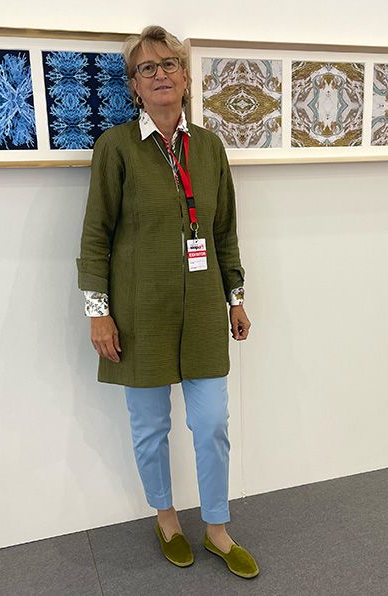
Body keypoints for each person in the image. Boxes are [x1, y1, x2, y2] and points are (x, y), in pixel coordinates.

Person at [76, 25, 259, 579]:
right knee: (151, 428)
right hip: (139, 314)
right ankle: (167, 519)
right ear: (133, 84)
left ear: (185, 77)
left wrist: (235, 297)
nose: (160, 75)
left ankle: (218, 529)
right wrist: (98, 312)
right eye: (147, 68)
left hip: (202, 310)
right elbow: (96, 235)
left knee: (212, 424)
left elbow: (223, 232)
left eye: (170, 65)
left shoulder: (209, 147)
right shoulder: (116, 147)